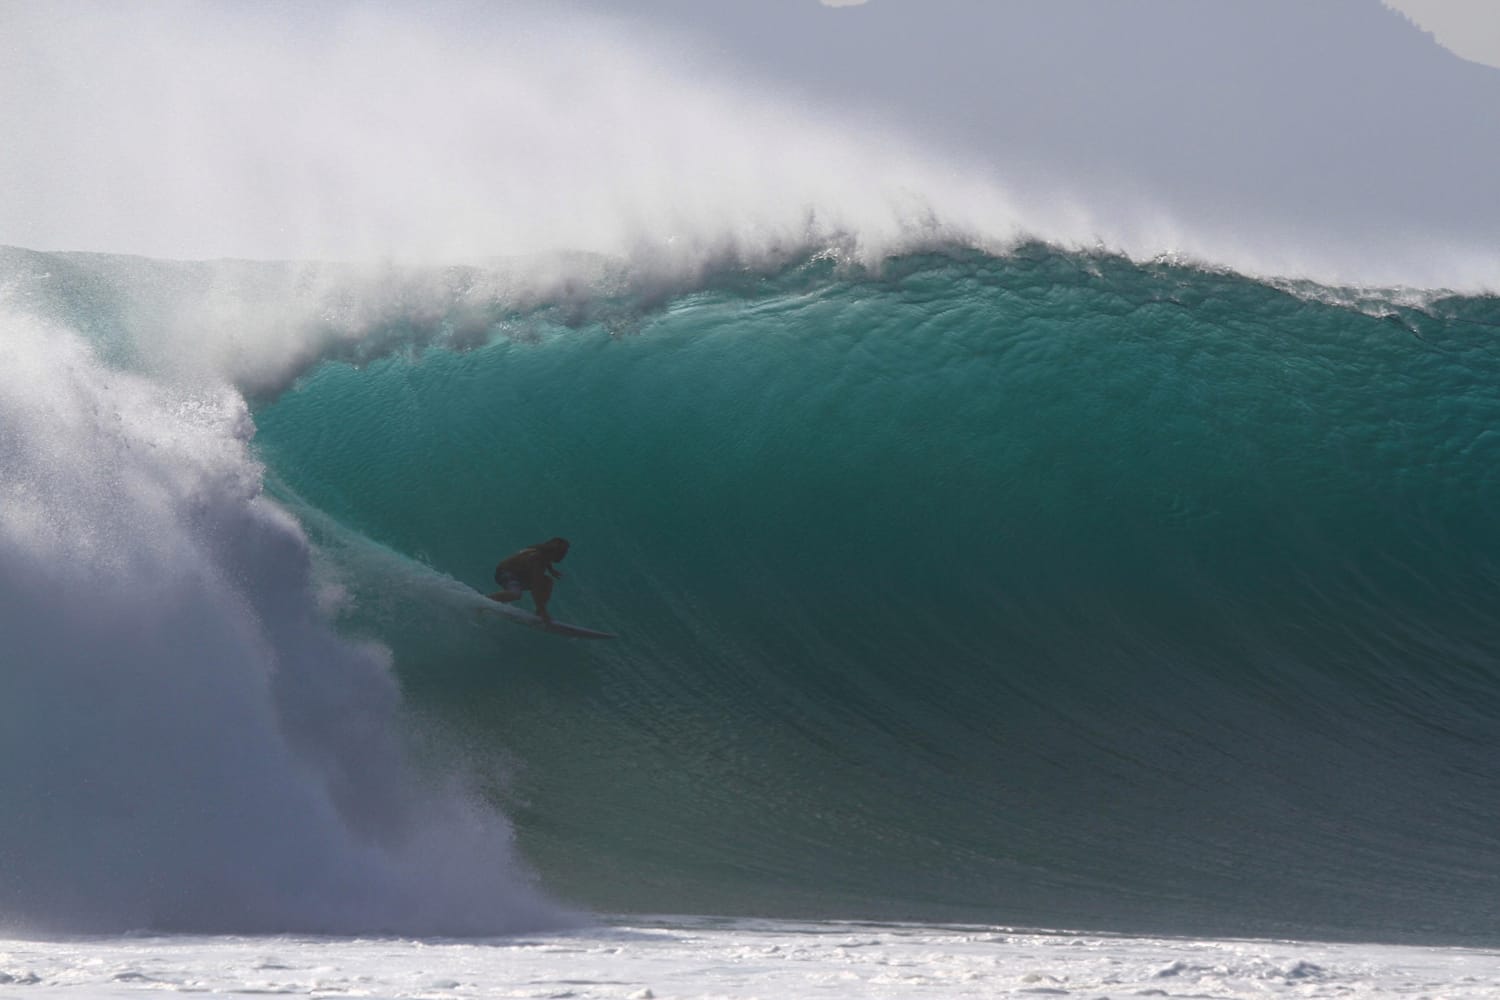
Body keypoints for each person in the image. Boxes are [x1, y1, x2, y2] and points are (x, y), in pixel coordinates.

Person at [489, 537, 570, 624]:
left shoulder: (542, 553)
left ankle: (539, 611)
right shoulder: (538, 559)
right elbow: (536, 587)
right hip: (505, 573)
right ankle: (486, 600)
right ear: (554, 552)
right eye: (562, 552)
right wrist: (543, 610)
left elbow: (546, 561)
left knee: (547, 581)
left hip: (518, 574)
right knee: (515, 594)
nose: (564, 555)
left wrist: (551, 570)